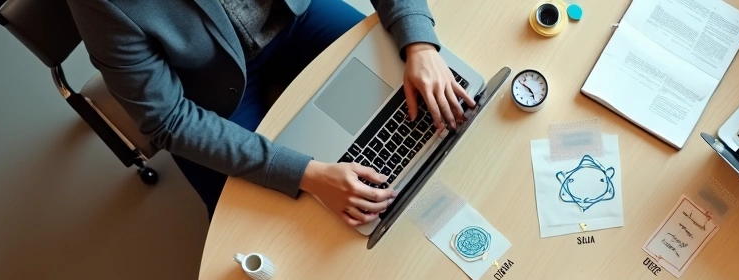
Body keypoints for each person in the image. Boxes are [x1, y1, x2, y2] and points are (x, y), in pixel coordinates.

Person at [68, 0, 474, 223]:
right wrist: (306, 174)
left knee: (417, 106)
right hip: (210, 91)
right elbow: (167, 119)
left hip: (299, 17)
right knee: (262, 225)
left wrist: (418, 42)